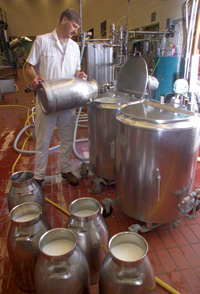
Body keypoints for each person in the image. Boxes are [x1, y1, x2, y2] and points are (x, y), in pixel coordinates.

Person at [25, 8, 87, 187]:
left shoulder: (75, 47)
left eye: (77, 27)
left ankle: (66, 169)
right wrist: (34, 77)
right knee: (43, 140)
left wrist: (79, 74)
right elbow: (29, 66)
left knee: (67, 138)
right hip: (47, 102)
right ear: (64, 20)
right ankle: (38, 176)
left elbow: (74, 70)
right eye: (74, 26)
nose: (75, 30)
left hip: (68, 101)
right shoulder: (43, 41)